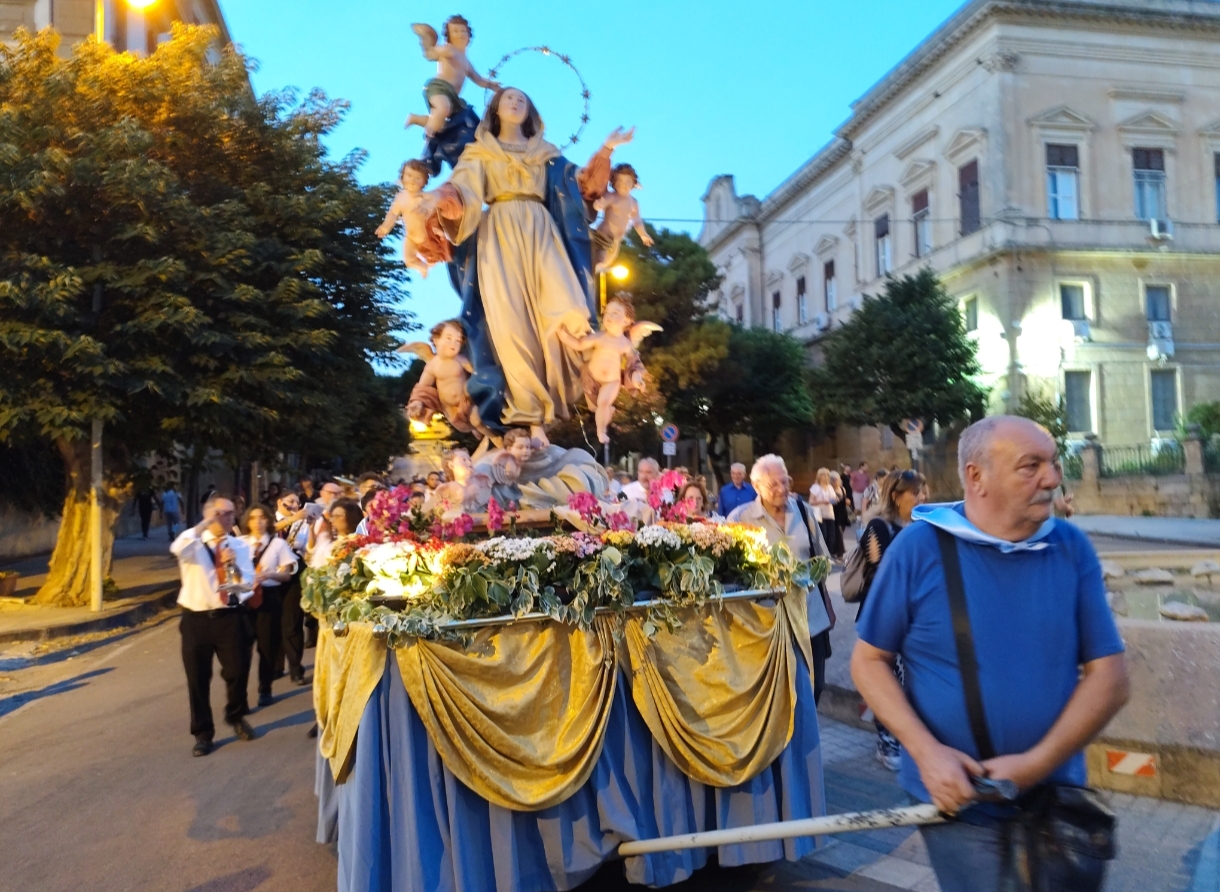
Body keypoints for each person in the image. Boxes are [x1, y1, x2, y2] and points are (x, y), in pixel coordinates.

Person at [851, 416, 1129, 891]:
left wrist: (1035, 765)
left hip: (1056, 797)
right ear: (976, 476)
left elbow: (1110, 677)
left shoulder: (1070, 547)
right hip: (960, 807)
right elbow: (868, 661)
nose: (1053, 477)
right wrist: (927, 751)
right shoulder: (918, 549)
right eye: (1031, 466)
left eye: (1053, 462)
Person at [728, 455, 835, 704]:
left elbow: (821, 559)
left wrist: (828, 604)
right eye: (773, 484)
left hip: (811, 617)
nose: (782, 489)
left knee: (815, 685)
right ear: (756, 487)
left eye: (784, 481)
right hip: (769, 622)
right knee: (779, 695)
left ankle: (807, 739)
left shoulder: (803, 511)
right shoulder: (740, 520)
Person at [171, 497, 258, 757]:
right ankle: (202, 733)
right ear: (209, 516)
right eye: (223, 514)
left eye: (232, 514)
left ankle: (235, 714)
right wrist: (206, 524)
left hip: (229, 616)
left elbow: (247, 585)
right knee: (197, 677)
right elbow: (177, 549)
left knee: (238, 670)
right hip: (196, 618)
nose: (229, 518)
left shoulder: (239, 545)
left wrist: (234, 568)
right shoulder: (193, 542)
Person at [852, 469, 927, 771]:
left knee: (909, 681)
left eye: (923, 491)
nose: (922, 497)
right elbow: (881, 574)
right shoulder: (879, 527)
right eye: (915, 492)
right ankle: (887, 743)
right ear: (896, 496)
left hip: (912, 618)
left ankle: (904, 738)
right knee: (887, 681)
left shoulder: (917, 524)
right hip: (884, 618)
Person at [242, 504, 299, 708]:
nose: (258, 522)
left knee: (267, 646)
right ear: (247, 522)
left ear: (268, 520)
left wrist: (269, 574)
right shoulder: (239, 544)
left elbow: (287, 573)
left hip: (269, 596)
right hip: (244, 598)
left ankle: (265, 689)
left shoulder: (278, 545)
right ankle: (239, 695)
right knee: (241, 649)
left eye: (262, 517)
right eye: (253, 518)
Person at [275, 492, 312, 686]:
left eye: (297, 502)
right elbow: (267, 532)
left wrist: (312, 528)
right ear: (279, 502)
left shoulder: (302, 523)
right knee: (272, 623)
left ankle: (296, 669)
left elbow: (308, 547)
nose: (295, 505)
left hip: (295, 570)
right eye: (290, 501)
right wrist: (292, 519)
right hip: (271, 573)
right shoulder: (269, 519)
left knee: (292, 621)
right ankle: (275, 665)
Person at [807, 468, 838, 559]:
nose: (825, 477)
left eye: (827, 475)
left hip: (829, 513)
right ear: (819, 476)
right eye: (823, 475)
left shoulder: (830, 487)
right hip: (819, 514)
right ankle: (821, 555)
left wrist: (833, 500)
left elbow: (834, 499)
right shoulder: (815, 487)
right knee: (823, 534)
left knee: (831, 535)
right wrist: (822, 501)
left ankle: (829, 554)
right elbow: (811, 501)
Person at [829, 470, 850, 559]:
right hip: (834, 513)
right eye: (833, 480)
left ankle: (836, 550)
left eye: (837, 479)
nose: (835, 481)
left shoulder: (842, 489)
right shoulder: (830, 489)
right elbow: (830, 501)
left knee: (840, 532)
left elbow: (845, 499)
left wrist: (847, 501)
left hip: (842, 512)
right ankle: (840, 552)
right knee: (838, 532)